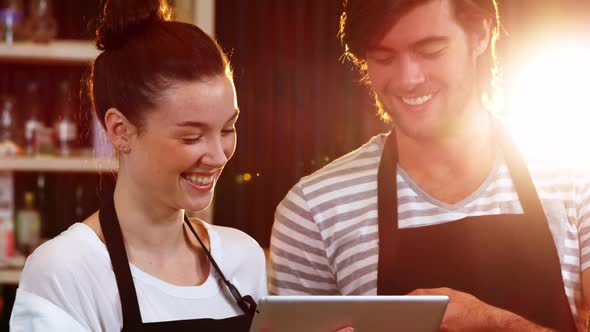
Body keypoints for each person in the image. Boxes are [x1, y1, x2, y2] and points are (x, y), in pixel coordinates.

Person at [269, 0, 590, 331]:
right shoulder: (314, 209)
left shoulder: (576, 179)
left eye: (431, 51)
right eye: (384, 57)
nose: (408, 79)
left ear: (481, 34)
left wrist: (495, 324)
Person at [9, 0, 266, 330]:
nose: (218, 156)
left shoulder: (243, 258)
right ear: (120, 131)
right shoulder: (65, 270)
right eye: (191, 137)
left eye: (228, 129)